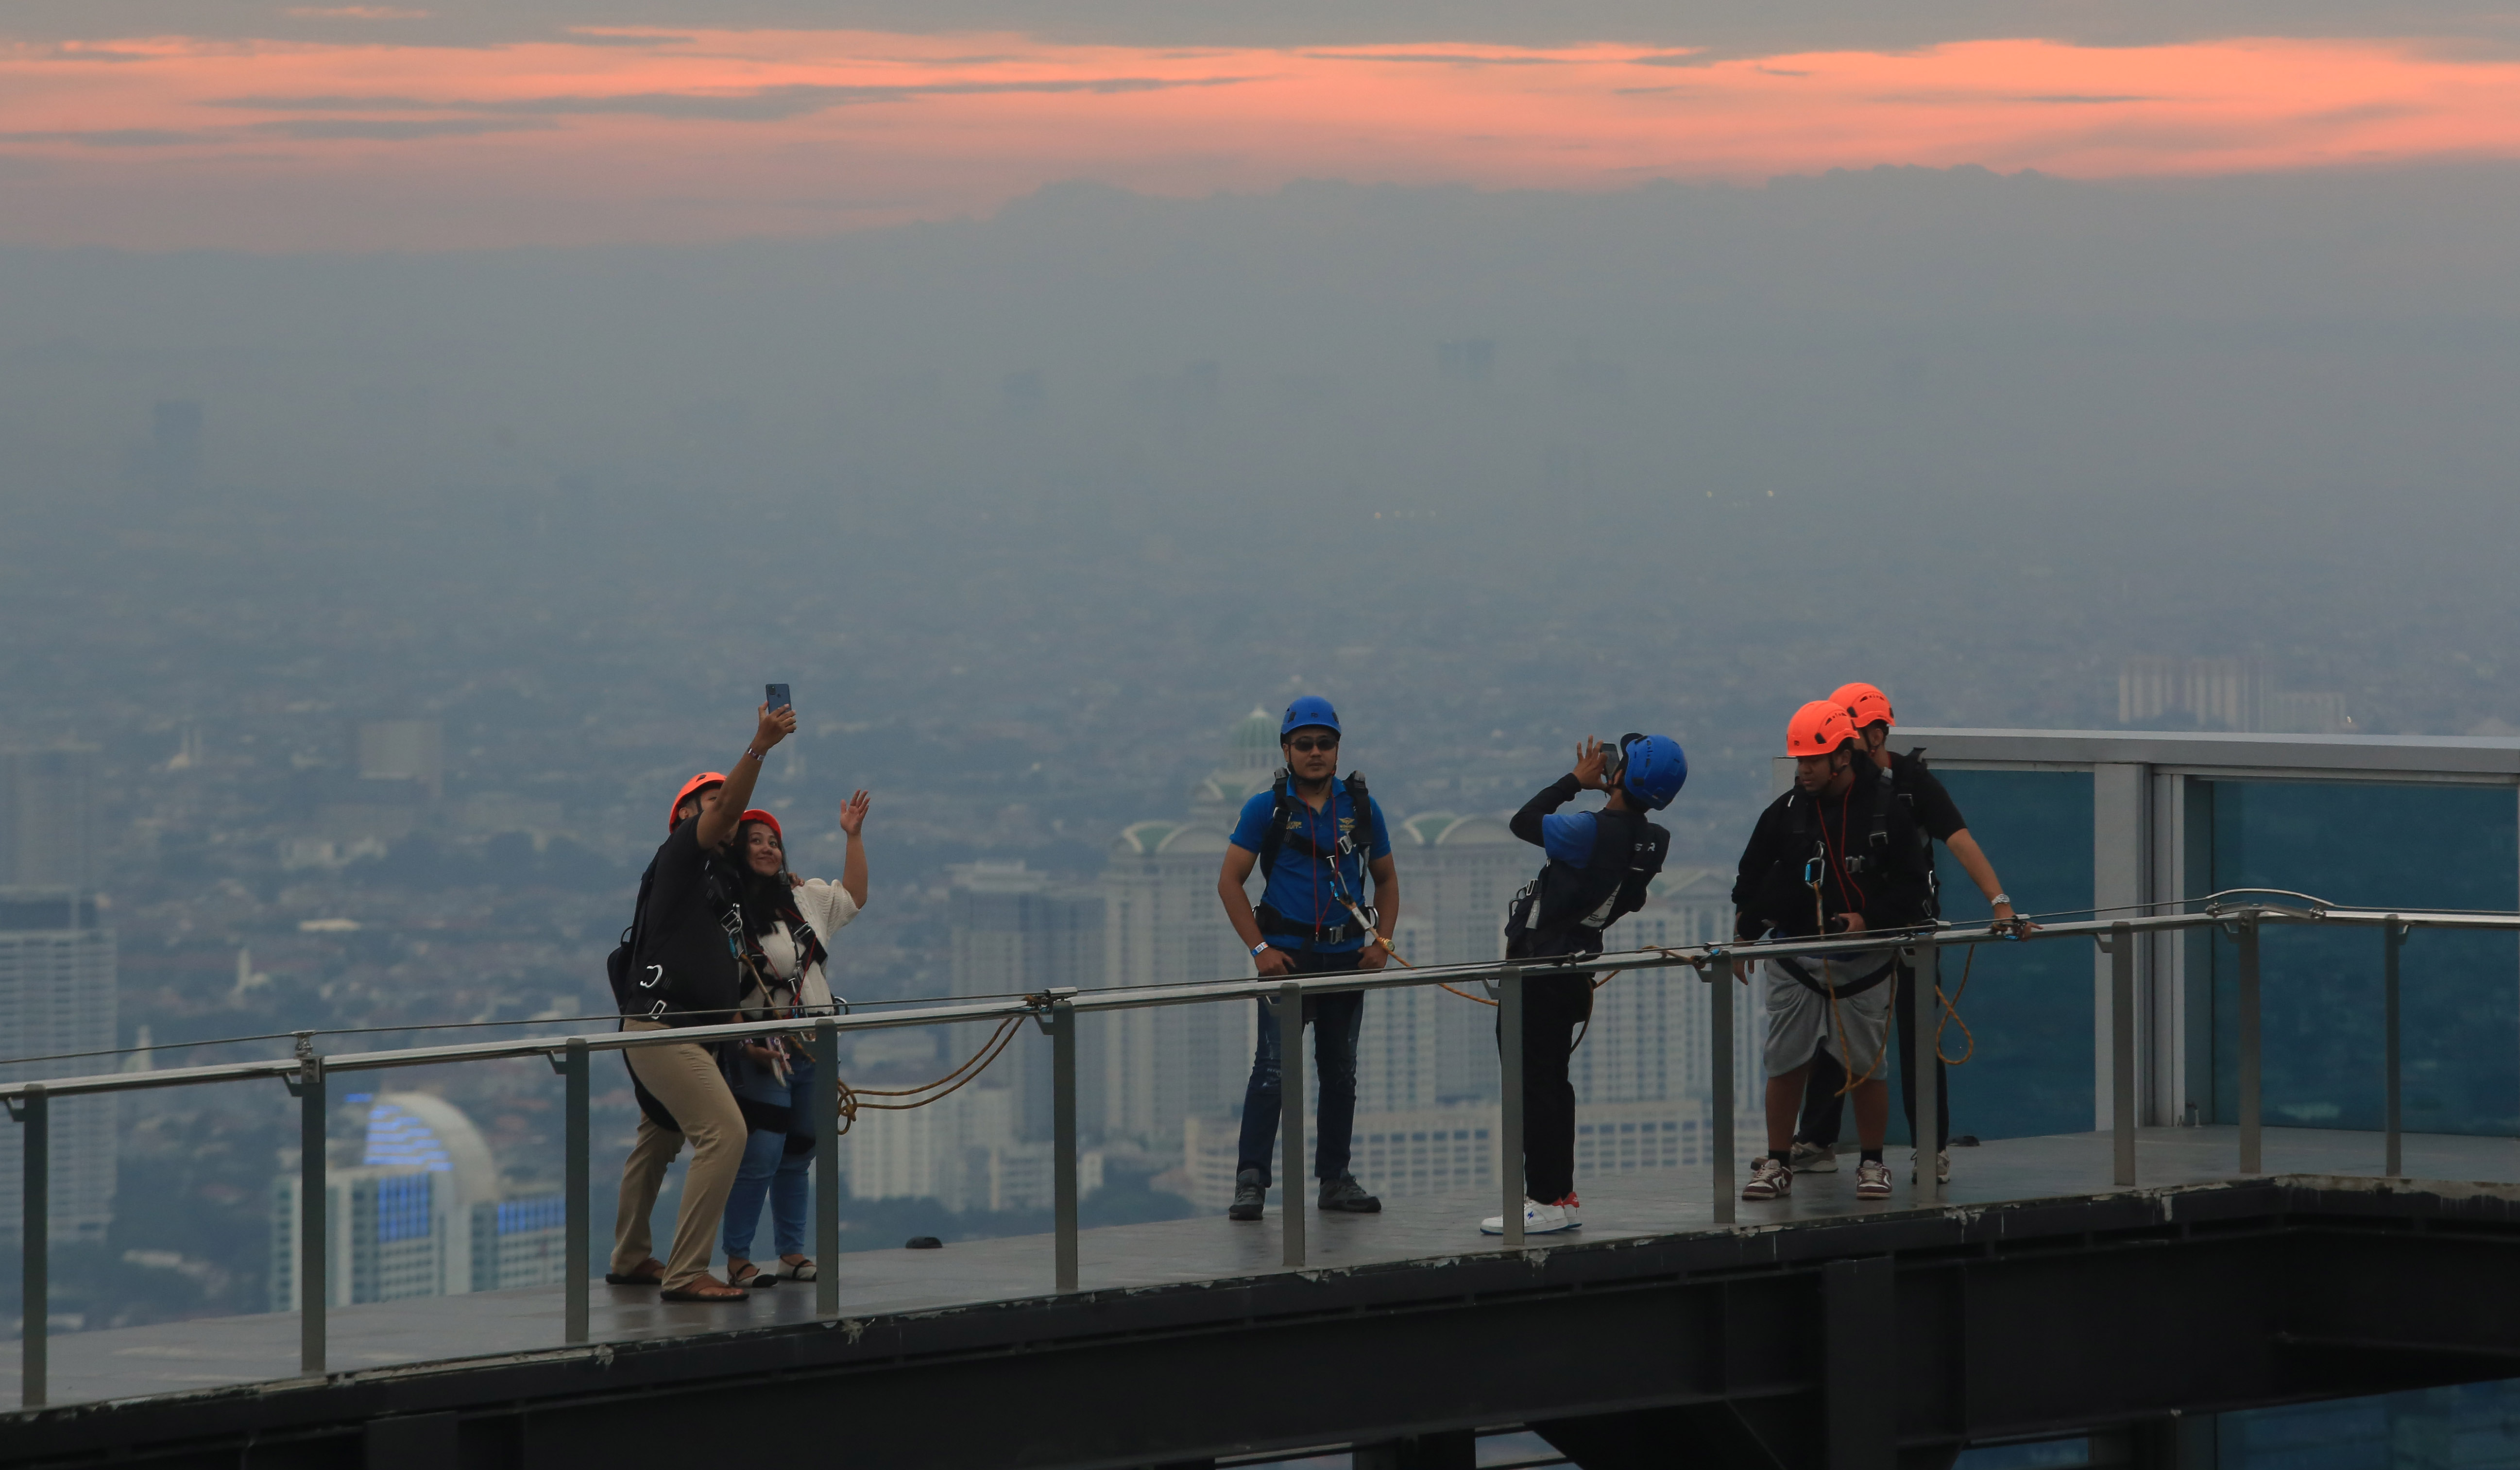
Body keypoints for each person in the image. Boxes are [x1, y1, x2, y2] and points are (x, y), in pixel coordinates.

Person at [1787, 682, 2032, 1185]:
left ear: (1874, 733)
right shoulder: (1834, 791)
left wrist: (2000, 901)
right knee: (1836, 1031)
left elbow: (1958, 838)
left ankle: (1927, 1145)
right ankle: (1816, 1140)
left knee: (1915, 1035)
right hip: (1853, 930)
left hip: (1906, 927)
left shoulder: (1910, 782)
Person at [605, 700, 795, 1303]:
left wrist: (744, 1033)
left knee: (658, 1138)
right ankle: (689, 1270)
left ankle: (632, 1255)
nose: (724, 812)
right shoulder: (683, 856)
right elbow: (730, 810)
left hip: (685, 1029)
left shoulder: (719, 880)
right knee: (724, 1131)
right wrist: (759, 745)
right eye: (708, 803)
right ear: (684, 816)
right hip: (666, 1030)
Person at [1480, 733, 1686, 1236]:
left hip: (1538, 976)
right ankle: (1560, 1194)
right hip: (1574, 972)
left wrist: (1573, 782)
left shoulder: (1589, 831)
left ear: (1623, 776)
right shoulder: (1653, 840)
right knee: (1554, 1085)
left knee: (1535, 1089)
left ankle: (1546, 1199)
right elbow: (1618, 855)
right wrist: (1614, 794)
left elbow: (1523, 821)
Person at [1731, 701, 1937, 1203]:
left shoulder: (1886, 810)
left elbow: (1914, 885)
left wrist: (1869, 919)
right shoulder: (1785, 814)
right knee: (1785, 1062)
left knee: (1867, 1064)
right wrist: (1744, 936)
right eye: (1799, 760)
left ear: (1842, 757)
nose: (1802, 770)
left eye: (1812, 761)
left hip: (1863, 961)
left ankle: (1871, 1161)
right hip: (1795, 956)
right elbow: (1752, 878)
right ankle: (1778, 1161)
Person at [1215, 695, 1397, 1222]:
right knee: (1271, 1071)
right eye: (1305, 744)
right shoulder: (1266, 808)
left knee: (1340, 1072)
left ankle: (1334, 1178)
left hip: (1345, 956)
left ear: (1337, 749)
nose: (1315, 752)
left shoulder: (1360, 806)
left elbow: (1386, 880)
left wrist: (1381, 943)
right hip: (1287, 957)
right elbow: (1230, 881)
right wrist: (1259, 949)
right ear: (1287, 750)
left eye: (1325, 743)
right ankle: (1251, 1182)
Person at [718, 794, 869, 1289]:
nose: (767, 849)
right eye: (756, 841)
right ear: (737, 851)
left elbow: (855, 896)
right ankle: (738, 1255)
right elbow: (718, 979)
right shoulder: (726, 909)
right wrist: (742, 1038)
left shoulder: (803, 900)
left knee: (800, 1148)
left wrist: (853, 835)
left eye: (774, 842)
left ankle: (791, 1251)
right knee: (761, 1150)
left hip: (816, 1040)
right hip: (767, 1044)